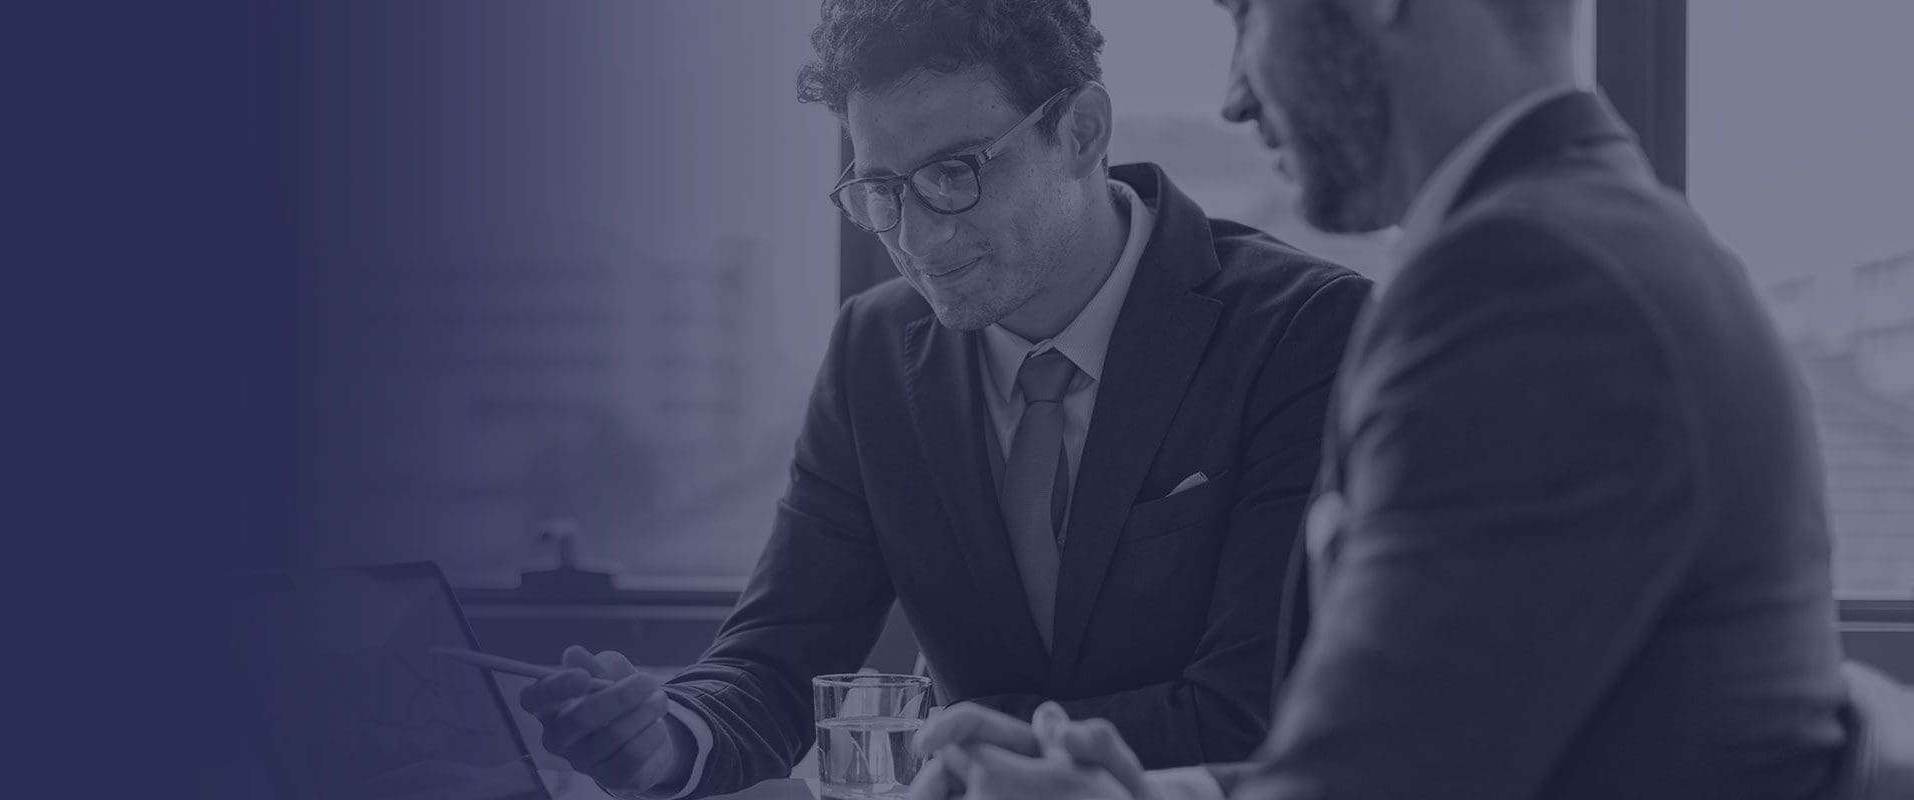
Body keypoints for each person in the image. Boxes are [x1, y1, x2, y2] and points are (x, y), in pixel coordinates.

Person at [911, 1, 1856, 798]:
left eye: (1247, 14)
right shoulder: (1606, 242)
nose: (1237, 95)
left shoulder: (1526, 285)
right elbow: (1434, 744)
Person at [517, 1, 1370, 797]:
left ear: (1081, 130)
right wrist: (666, 734)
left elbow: (1254, 710)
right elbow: (778, 651)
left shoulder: (1302, 333)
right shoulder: (874, 350)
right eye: (880, 189)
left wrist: (963, 755)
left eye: (955, 173)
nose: (917, 238)